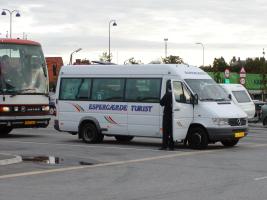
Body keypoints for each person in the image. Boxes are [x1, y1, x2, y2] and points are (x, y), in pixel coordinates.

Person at [159, 80, 174, 150]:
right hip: (173, 115)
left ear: (168, 87)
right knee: (172, 131)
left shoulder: (168, 94)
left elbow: (161, 102)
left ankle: (164, 146)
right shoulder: (174, 94)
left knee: (165, 131)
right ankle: (171, 146)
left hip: (167, 115)